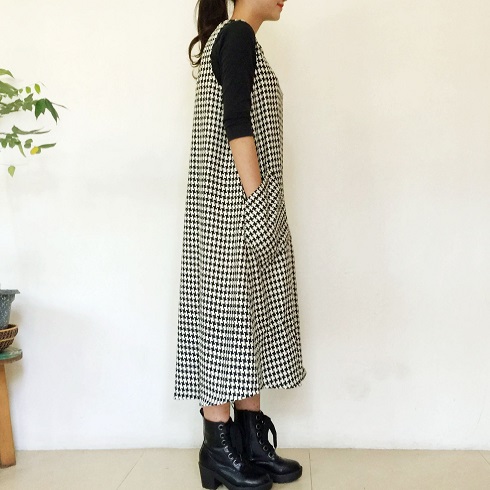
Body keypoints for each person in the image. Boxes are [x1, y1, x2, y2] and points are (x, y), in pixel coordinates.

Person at [174, 1, 307, 488]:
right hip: (233, 210)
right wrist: (258, 198)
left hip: (224, 210)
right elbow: (237, 123)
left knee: (246, 322)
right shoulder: (236, 36)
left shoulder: (234, 39)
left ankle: (249, 441)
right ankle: (218, 446)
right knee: (225, 323)